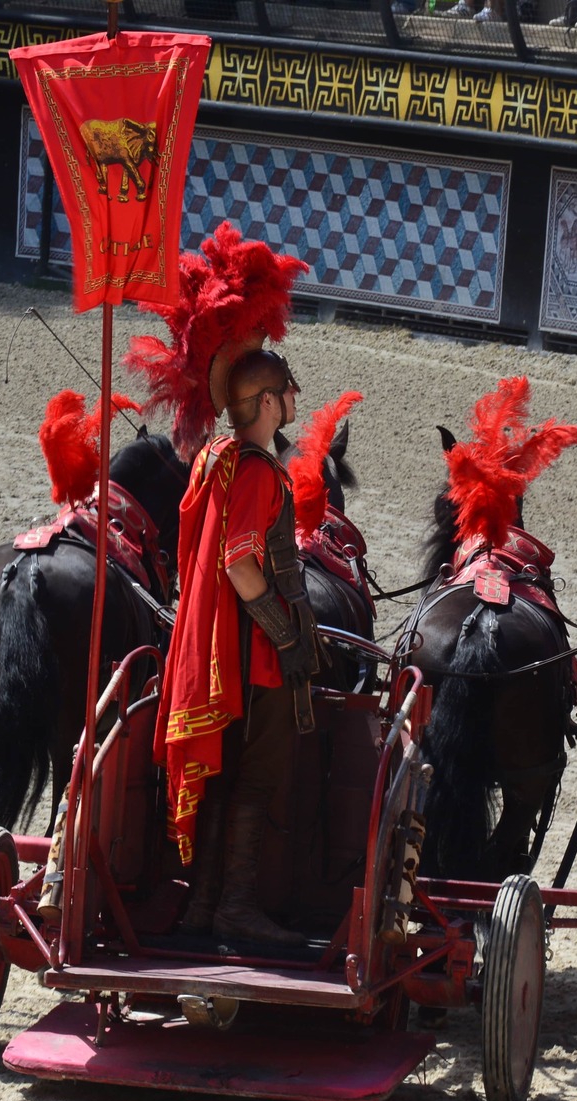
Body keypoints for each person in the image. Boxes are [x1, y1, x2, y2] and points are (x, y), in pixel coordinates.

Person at [156, 350, 322, 946]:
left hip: (220, 653)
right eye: (288, 391)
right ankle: (238, 907)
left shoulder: (212, 456)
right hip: (252, 657)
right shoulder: (256, 470)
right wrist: (288, 637)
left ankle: (204, 905)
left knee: (225, 779)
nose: (296, 401)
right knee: (254, 781)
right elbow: (240, 564)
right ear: (269, 403)